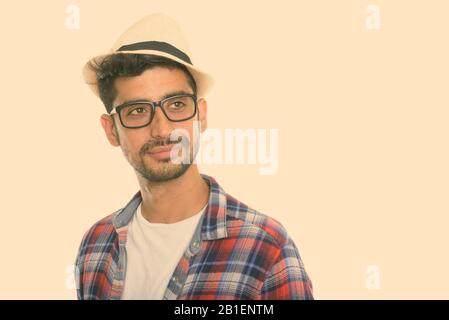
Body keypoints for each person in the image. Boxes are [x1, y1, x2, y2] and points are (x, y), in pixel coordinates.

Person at [75, 13, 313, 300]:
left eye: (176, 105)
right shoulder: (95, 247)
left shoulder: (267, 248)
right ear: (110, 130)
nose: (162, 129)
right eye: (137, 110)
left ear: (201, 115)